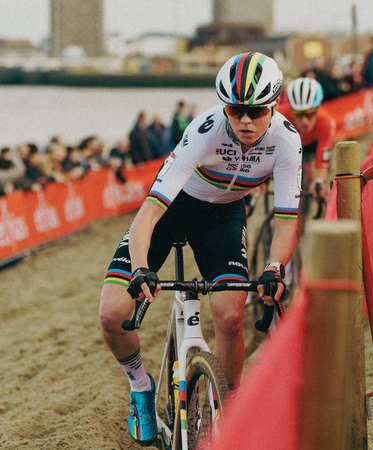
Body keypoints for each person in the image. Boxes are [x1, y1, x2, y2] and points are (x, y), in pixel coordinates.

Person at [98, 52, 301, 445]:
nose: (244, 120)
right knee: (112, 314)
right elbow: (147, 216)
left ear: (273, 105)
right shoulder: (205, 132)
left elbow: (287, 219)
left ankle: (232, 408)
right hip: (174, 209)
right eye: (236, 109)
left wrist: (275, 266)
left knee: (229, 316)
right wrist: (140, 269)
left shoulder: (287, 141)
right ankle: (140, 385)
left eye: (256, 111)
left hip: (222, 217)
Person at [276, 77, 337, 203]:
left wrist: (319, 180)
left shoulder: (326, 122)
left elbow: (322, 158)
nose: (304, 121)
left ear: (317, 110)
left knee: (319, 178)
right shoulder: (279, 116)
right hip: (292, 143)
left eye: (309, 114)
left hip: (313, 145)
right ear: (290, 110)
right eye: (298, 114)